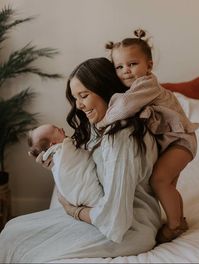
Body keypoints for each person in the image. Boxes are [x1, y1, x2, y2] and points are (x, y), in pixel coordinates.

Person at [0, 57, 161, 263]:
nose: (79, 105)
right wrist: (58, 164)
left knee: (13, 240)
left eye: (84, 95)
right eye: (76, 98)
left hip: (129, 230)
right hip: (105, 218)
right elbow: (87, 174)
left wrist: (73, 211)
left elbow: (115, 220)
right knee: (12, 229)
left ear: (104, 90)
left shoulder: (121, 138)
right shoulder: (101, 127)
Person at [98, 29, 199, 243]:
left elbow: (125, 106)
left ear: (149, 65)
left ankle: (173, 226)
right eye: (119, 67)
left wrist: (102, 123)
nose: (126, 70)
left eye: (132, 64)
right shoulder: (137, 87)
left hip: (180, 141)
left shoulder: (146, 85)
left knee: (159, 180)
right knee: (167, 184)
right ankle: (179, 219)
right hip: (173, 142)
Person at [27, 124, 103, 207]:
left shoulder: (57, 155)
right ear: (52, 145)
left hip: (74, 199)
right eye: (58, 130)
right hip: (91, 196)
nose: (62, 128)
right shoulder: (65, 148)